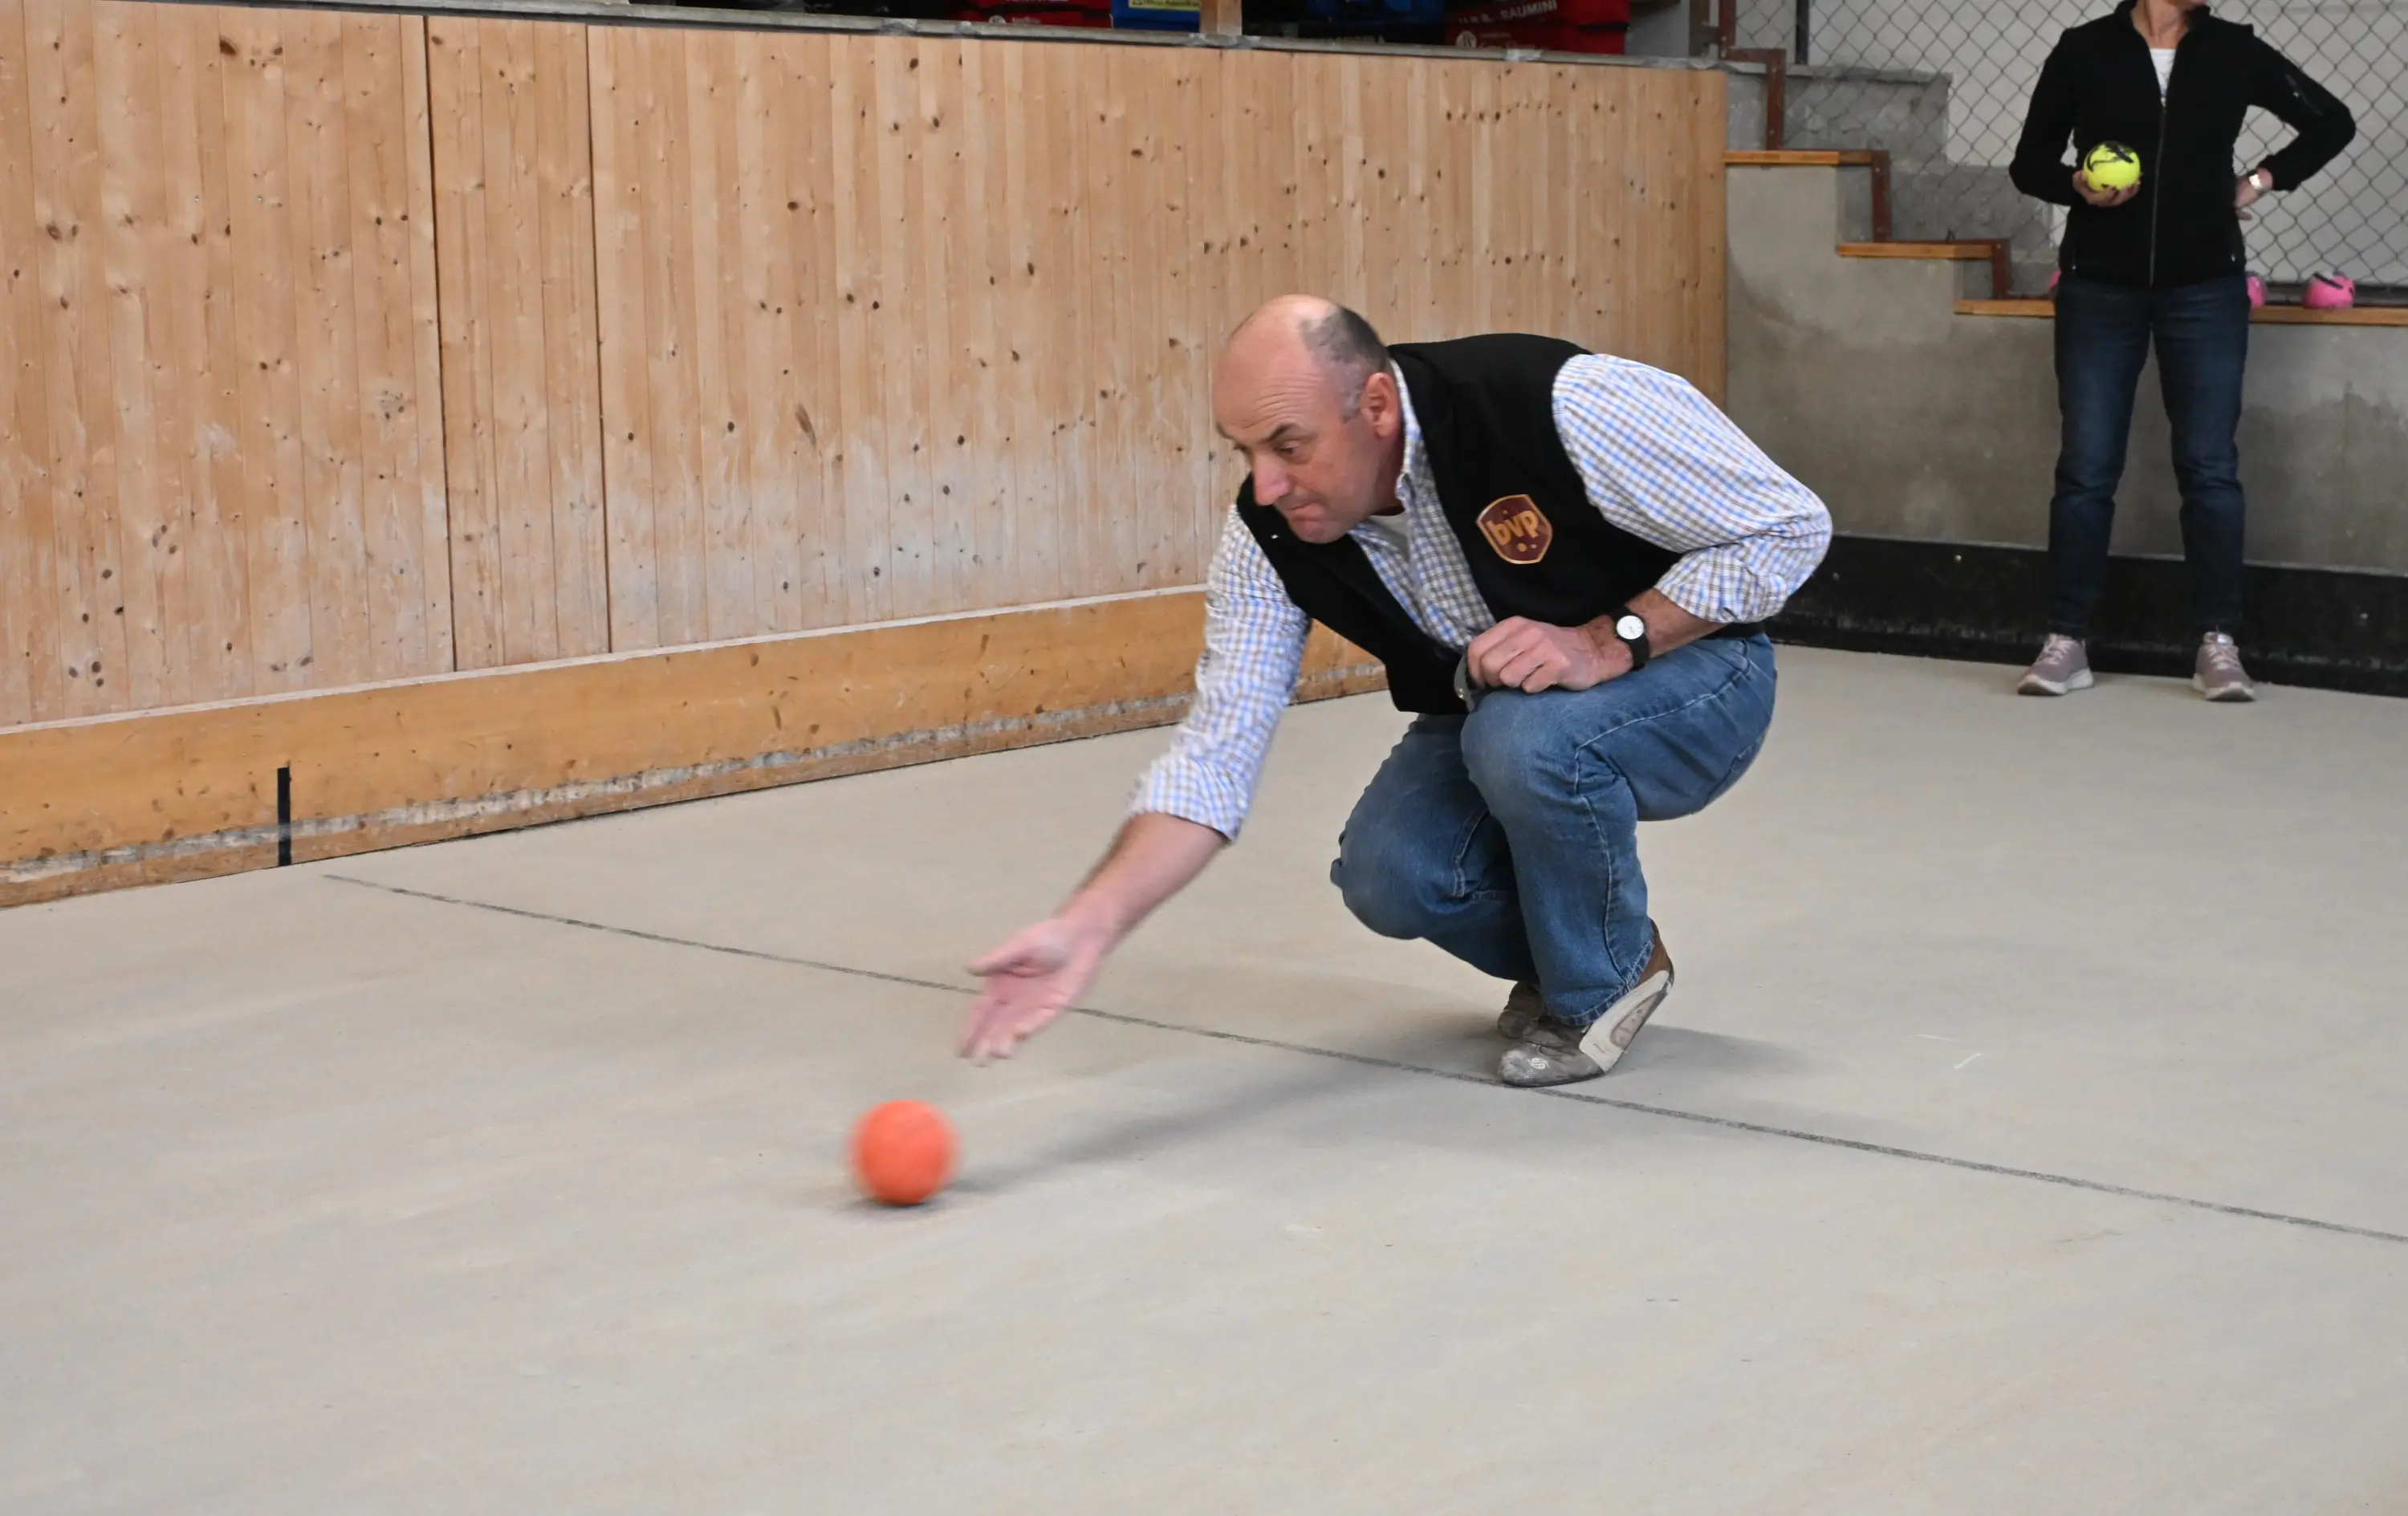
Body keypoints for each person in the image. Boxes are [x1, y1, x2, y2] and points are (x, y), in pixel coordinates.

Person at [957, 297, 1831, 1087]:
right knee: (1393, 873)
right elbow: (1213, 758)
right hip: (1506, 707)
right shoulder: (1269, 534)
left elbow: (1792, 525)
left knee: (1524, 741)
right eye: (1246, 452)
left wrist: (1613, 639)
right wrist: (1090, 925)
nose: (1265, 484)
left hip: (1698, 678)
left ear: (1376, 407)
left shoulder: (1561, 403)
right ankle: (1608, 952)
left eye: (1289, 446)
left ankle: (1596, 982)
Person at [2009, 0, 2354, 701]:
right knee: (2086, 467)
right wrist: (2075, 185)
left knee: (2209, 467)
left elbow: (2332, 121)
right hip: (2099, 289)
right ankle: (2066, 639)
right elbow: (2029, 163)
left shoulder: (2234, 49)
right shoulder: (2085, 49)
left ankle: (2218, 643)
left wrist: (2258, 180)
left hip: (2206, 289)